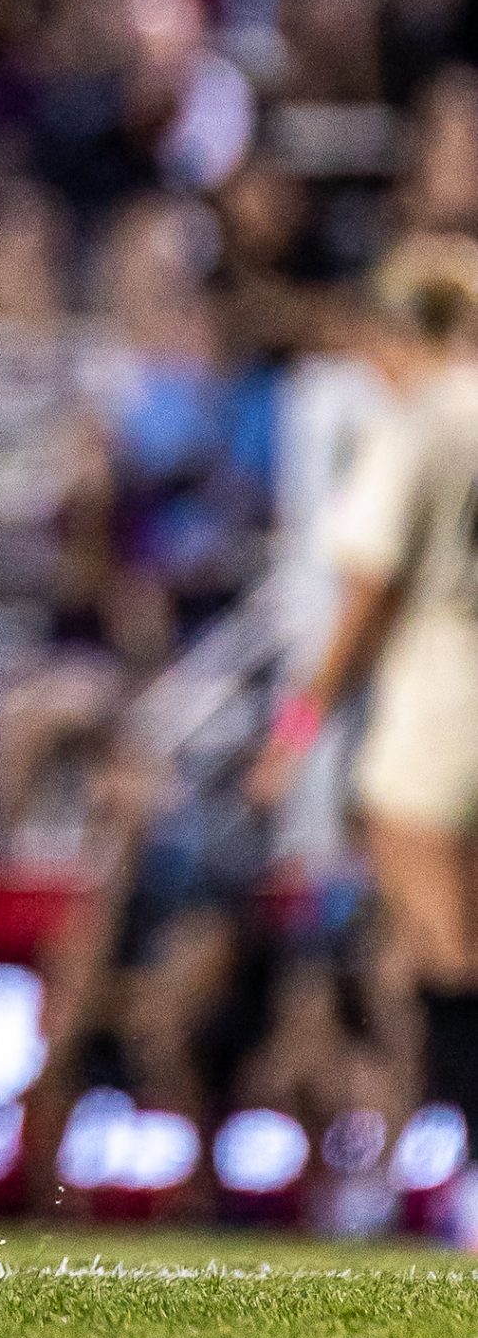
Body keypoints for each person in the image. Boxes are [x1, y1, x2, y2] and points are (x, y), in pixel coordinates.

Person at [250, 236, 478, 1155]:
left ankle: (463, 1162)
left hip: (437, 692)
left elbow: (366, 593)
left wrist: (294, 729)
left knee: (441, 948)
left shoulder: (419, 421)